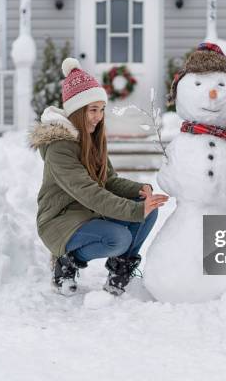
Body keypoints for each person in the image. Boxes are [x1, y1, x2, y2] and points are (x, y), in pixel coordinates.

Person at [30, 57, 168, 295]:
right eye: (92, 110)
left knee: (148, 209)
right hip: (59, 221)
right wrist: (135, 211)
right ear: (76, 111)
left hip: (87, 215)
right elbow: (89, 192)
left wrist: (140, 190)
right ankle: (66, 261)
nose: (98, 116)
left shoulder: (91, 140)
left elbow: (109, 181)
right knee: (119, 238)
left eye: (101, 110)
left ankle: (120, 270)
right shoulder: (59, 148)